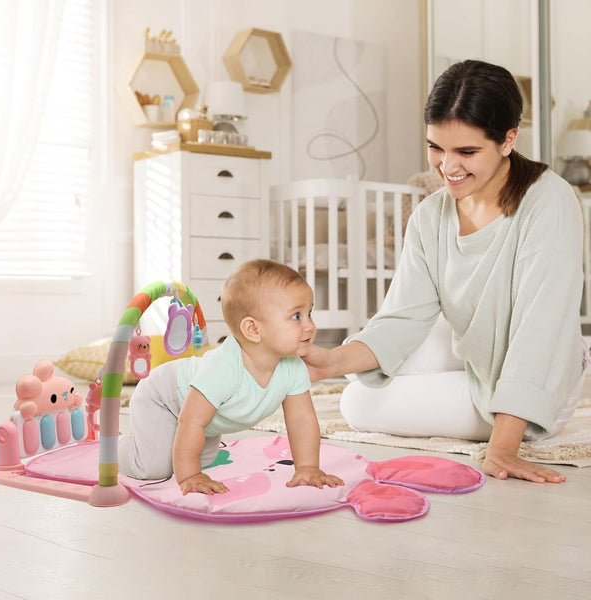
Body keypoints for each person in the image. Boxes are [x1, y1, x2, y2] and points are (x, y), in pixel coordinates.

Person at [301, 59, 588, 484]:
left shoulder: (550, 201)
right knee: (358, 386)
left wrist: (504, 447)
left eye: (467, 152)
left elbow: (540, 328)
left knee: (360, 406)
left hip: (542, 377)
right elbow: (402, 317)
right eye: (436, 147)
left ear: (508, 140)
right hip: (472, 342)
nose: (447, 167)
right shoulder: (429, 215)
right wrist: (328, 363)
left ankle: (517, 408)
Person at [119, 258, 344, 495]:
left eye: (309, 313)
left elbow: (302, 420)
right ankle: (118, 446)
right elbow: (191, 421)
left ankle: (155, 443)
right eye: (297, 316)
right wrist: (190, 476)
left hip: (204, 420)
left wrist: (308, 467)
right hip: (162, 400)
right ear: (253, 329)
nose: (310, 326)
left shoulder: (293, 366)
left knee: (202, 459)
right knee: (155, 468)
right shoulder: (224, 368)